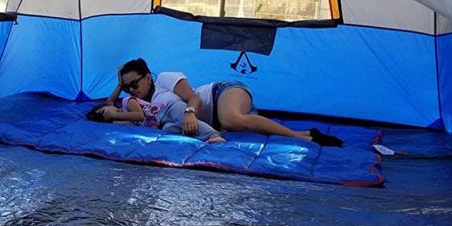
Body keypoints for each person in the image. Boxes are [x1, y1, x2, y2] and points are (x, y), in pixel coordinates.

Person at [102, 58, 343, 147]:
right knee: (231, 122)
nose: (133, 90)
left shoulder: (165, 78)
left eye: (135, 83)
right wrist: (119, 88)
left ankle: (303, 136)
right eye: (127, 88)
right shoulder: (140, 102)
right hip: (213, 118)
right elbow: (108, 105)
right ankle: (302, 132)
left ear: (148, 76)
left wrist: (189, 113)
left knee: (232, 119)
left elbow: (193, 97)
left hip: (222, 92)